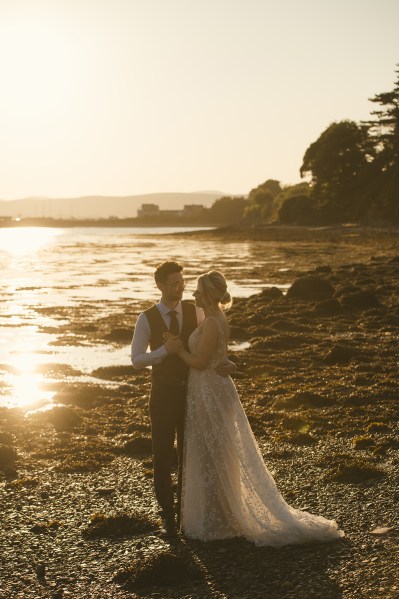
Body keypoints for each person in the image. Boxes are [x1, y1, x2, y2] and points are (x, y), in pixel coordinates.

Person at [164, 270, 345, 546]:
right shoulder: (216, 318)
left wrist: (175, 349)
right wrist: (229, 364)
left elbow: (200, 362)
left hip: (209, 389)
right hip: (211, 387)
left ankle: (220, 520)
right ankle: (220, 515)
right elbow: (220, 356)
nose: (194, 295)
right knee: (218, 451)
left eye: (198, 291)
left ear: (210, 295)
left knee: (214, 452)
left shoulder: (213, 322)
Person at [131, 261, 234, 536]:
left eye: (183, 282)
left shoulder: (196, 310)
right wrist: (165, 350)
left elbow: (213, 342)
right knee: (162, 458)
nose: (181, 288)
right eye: (175, 283)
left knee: (191, 456)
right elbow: (137, 360)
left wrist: (227, 361)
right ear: (160, 285)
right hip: (163, 397)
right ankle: (167, 518)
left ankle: (186, 515)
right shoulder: (146, 318)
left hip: (194, 395)